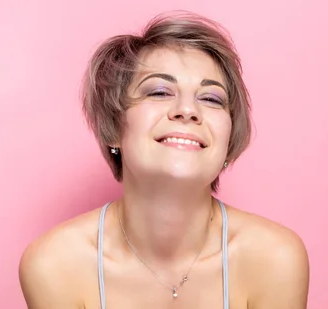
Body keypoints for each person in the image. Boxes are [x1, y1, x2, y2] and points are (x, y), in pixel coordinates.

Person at [18, 11, 310, 309]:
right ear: (114, 127)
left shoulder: (275, 258)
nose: (187, 110)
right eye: (159, 91)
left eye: (211, 98)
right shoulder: (54, 264)